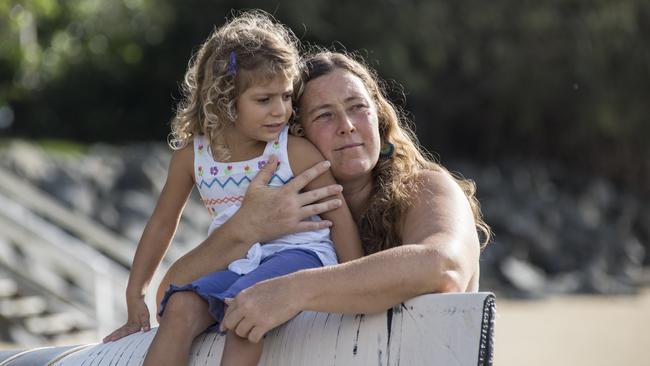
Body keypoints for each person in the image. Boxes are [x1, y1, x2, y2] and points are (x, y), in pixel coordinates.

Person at [150, 50, 492, 344]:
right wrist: (246, 227)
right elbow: (170, 293)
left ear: (380, 119)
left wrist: (291, 290)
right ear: (294, 136)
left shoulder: (425, 187)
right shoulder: (287, 217)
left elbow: (443, 266)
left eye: (358, 107)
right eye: (324, 115)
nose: (347, 125)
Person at [102, 12, 363, 366]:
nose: (281, 111)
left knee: (246, 307)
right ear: (225, 99)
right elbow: (162, 223)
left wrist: (355, 284)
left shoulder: (293, 151)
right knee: (179, 305)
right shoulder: (191, 157)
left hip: (301, 254)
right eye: (264, 100)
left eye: (286, 97)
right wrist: (136, 294)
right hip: (237, 260)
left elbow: (339, 215)